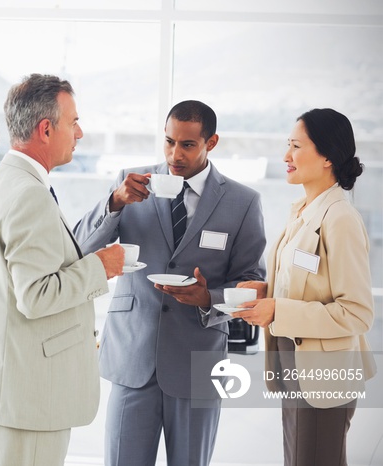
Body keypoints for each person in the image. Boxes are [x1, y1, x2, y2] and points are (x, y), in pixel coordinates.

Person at [74, 100, 267, 466]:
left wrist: (207, 297)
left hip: (198, 363)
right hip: (133, 355)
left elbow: (252, 283)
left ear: (212, 142)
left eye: (188, 145)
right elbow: (79, 247)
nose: (174, 154)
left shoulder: (243, 202)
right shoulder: (130, 183)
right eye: (168, 142)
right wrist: (115, 202)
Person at [0, 73, 125, 466]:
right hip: (23, 399)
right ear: (46, 129)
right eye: (74, 121)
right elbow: (36, 295)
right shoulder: (29, 193)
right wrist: (101, 266)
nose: (80, 132)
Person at [233, 108, 376, 466]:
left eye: (296, 146)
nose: (286, 156)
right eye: (287, 145)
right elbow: (311, 285)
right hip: (295, 367)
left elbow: (356, 312)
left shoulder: (340, 219)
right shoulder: (302, 211)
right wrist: (268, 293)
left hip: (323, 378)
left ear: (327, 156)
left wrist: (279, 310)